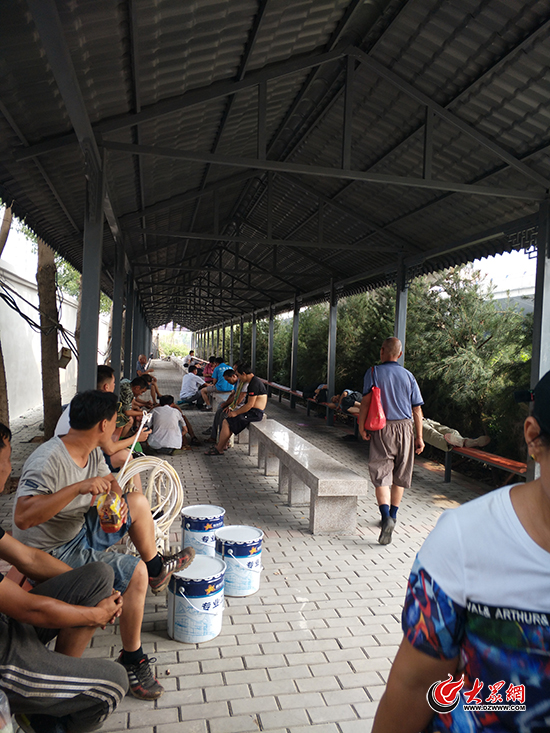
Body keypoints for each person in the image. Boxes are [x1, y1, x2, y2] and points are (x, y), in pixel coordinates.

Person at [372, 370, 550, 733]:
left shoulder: (377, 375)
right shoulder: (466, 539)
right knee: (411, 461)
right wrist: (418, 435)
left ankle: (388, 513)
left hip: (389, 429)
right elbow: (414, 686)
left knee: (386, 472)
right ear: (533, 437)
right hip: (405, 428)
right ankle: (394, 510)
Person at [12, 390, 195, 701]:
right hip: (53, 551)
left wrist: (114, 500)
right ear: (103, 425)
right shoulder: (48, 459)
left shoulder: (92, 450)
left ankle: (157, 569)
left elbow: (110, 482)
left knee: (136, 503)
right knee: (133, 573)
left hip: (78, 529)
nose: (116, 428)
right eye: (114, 422)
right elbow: (23, 517)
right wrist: (77, 488)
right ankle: (132, 657)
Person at [0, 422, 128, 733]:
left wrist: (88, 589)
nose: (10, 467)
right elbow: (30, 609)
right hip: (4, 652)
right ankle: (46, 714)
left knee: (99, 575)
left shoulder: (93, 454)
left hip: (10, 621)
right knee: (113, 683)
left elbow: (28, 558)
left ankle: (50, 695)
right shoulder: (49, 458)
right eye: (7, 458)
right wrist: (96, 614)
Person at [358, 337, 424, 545]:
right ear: (400, 354)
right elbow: (417, 409)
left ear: (382, 351)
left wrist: (361, 426)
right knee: (400, 475)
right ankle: (393, 516)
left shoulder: (373, 372)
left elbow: (366, 402)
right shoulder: (409, 376)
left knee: (381, 473)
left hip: (382, 428)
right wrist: (419, 437)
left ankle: (385, 516)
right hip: (406, 428)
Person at [205, 363, 267, 456]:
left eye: (238, 375)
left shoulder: (254, 384)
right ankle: (221, 446)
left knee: (227, 421)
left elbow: (249, 405)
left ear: (244, 374)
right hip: (251, 411)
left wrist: (236, 413)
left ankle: (219, 448)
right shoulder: (253, 382)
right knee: (227, 421)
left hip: (255, 413)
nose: (238, 378)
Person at [203, 369, 242, 443]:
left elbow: (236, 398)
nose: (228, 382)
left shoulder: (242, 383)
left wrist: (227, 405)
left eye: (228, 380)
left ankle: (223, 441)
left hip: (239, 406)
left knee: (223, 415)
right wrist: (226, 403)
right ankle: (214, 436)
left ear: (234, 376)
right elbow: (232, 394)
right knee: (219, 412)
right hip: (234, 404)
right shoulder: (237, 383)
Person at [421, 418, 490, 451]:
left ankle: (463, 441)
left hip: (425, 420)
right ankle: (459, 442)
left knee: (450, 431)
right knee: (431, 433)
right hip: (415, 423)